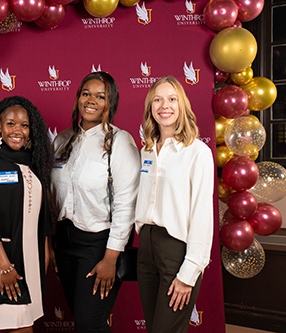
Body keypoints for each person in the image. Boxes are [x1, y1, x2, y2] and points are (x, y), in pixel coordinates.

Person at [50, 71, 140, 332]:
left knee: (90, 324)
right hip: (65, 242)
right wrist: (53, 243)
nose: (91, 100)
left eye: (101, 96)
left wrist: (111, 257)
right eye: (86, 93)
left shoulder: (120, 141)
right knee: (82, 320)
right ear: (78, 97)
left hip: (99, 245)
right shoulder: (63, 139)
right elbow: (54, 197)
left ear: (110, 103)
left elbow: (126, 203)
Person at [134, 76, 214, 333]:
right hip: (146, 245)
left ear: (182, 106)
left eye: (171, 99)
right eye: (157, 99)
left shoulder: (197, 152)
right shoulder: (146, 150)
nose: (164, 105)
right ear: (150, 107)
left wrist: (189, 272)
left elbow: (203, 214)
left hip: (175, 248)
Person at [0, 96, 53, 332]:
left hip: (32, 264)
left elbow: (41, 215)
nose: (18, 131)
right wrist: (4, 266)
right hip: (5, 263)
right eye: (11, 124)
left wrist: (44, 256)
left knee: (27, 326)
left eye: (24, 125)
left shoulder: (33, 163)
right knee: (18, 327)